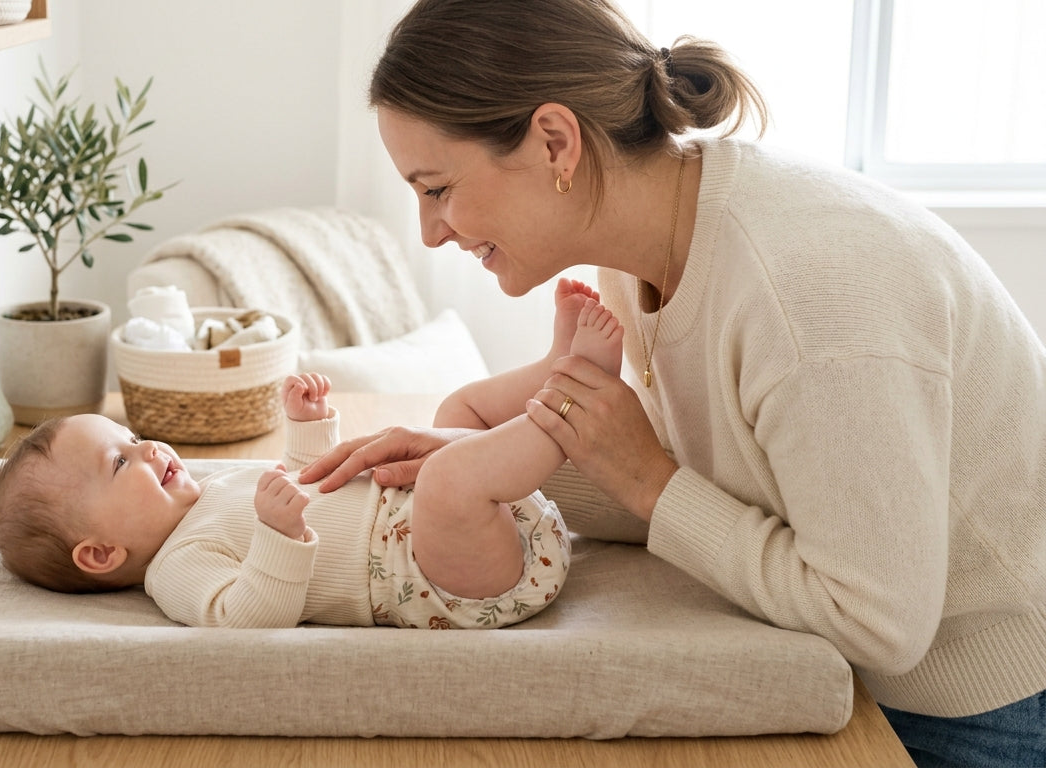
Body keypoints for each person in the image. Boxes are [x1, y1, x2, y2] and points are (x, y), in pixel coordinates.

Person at [296, 0, 1046, 764]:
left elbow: (879, 623)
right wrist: (491, 459)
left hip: (977, 701)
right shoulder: (638, 252)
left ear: (556, 142)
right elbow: (741, 479)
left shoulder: (811, 293)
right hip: (851, 675)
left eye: (437, 188)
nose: (430, 231)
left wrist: (649, 482)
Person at [0, 303, 622, 629]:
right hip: (459, 581)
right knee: (453, 477)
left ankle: (555, 368)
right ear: (100, 553)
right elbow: (246, 619)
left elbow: (311, 481)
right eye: (120, 462)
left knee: (455, 410)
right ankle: (573, 405)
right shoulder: (176, 571)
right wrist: (277, 536)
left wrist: (310, 429)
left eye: (132, 435)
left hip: (480, 523)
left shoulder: (209, 490)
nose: (149, 448)